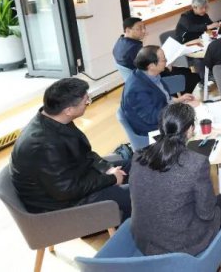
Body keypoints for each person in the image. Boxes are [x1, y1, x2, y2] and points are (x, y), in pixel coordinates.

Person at [130, 103, 221, 262]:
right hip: (177, 246)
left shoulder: (138, 155)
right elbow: (206, 213)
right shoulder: (196, 163)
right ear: (190, 130)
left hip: (142, 239)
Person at [10, 78, 131, 221]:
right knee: (136, 195)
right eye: (86, 101)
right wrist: (111, 179)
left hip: (72, 177)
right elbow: (66, 191)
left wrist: (107, 168)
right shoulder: (44, 145)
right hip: (59, 203)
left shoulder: (55, 119)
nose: (88, 103)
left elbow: (85, 154)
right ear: (69, 110)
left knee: (136, 165)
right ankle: (129, 224)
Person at [121, 45, 198, 135]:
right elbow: (152, 118)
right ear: (152, 66)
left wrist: (178, 100)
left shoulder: (151, 74)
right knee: (195, 123)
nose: (166, 61)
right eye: (163, 60)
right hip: (152, 129)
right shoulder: (137, 90)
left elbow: (163, 97)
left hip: (164, 115)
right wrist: (181, 108)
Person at [113, 16, 200, 94]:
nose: (144, 31)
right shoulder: (134, 48)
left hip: (136, 79)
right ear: (128, 30)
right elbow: (148, 69)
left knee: (185, 71)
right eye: (139, 28)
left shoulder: (120, 42)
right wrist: (166, 67)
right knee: (193, 76)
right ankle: (177, 100)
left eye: (144, 27)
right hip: (149, 81)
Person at [175, 0, 220, 83]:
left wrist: (219, 27)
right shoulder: (185, 17)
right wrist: (207, 27)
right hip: (185, 44)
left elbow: (211, 25)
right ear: (194, 7)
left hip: (198, 42)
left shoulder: (204, 15)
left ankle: (213, 73)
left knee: (214, 49)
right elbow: (190, 28)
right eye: (201, 8)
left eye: (205, 7)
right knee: (198, 59)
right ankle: (203, 80)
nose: (204, 10)